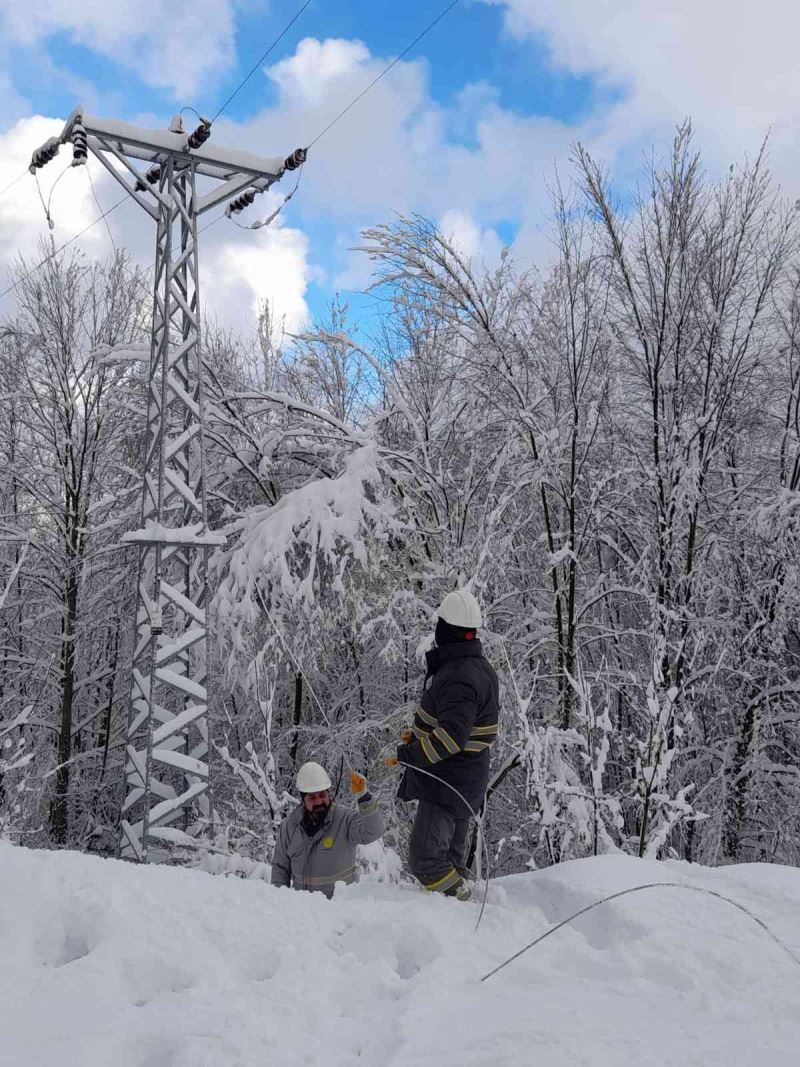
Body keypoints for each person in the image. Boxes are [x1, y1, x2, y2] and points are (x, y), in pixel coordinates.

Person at [387, 588, 499, 899]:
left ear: (446, 630)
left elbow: (451, 737)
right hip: (465, 782)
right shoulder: (478, 667)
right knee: (450, 861)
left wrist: (410, 753)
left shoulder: (459, 675)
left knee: (426, 862)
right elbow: (461, 727)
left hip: (446, 784)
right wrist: (422, 733)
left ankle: (463, 901)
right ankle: (455, 921)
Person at [270, 760, 384, 897]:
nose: (318, 801)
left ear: (329, 795)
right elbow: (280, 868)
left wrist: (364, 797)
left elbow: (373, 831)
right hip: (301, 911)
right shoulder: (289, 827)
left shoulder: (345, 820)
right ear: (303, 800)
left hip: (338, 909)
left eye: (322, 795)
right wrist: (280, 900)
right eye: (312, 797)